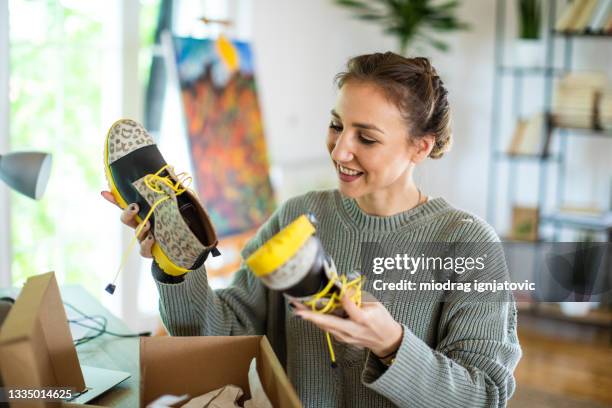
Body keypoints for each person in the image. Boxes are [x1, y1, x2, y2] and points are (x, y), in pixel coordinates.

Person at [102, 52, 521, 407]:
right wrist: (179, 271)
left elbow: (482, 395)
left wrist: (391, 344)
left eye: (367, 138)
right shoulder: (299, 217)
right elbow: (221, 333)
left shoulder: (469, 244)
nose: (340, 150)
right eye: (337, 124)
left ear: (420, 147)